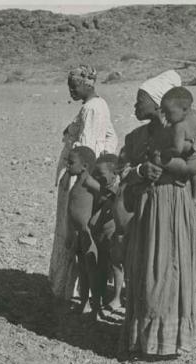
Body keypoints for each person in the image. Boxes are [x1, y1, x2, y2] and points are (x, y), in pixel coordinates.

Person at [118, 70, 196, 359]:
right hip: (145, 210)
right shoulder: (135, 137)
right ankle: (145, 339)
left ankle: (168, 341)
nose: (135, 107)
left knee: (170, 268)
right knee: (146, 269)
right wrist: (141, 171)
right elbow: (120, 171)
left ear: (157, 104)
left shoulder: (182, 132)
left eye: (140, 100)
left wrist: (170, 165)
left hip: (174, 206)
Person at [49, 65, 117, 304]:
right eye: (69, 86)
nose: (71, 90)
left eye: (74, 85)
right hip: (77, 172)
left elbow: (89, 146)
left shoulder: (93, 108)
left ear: (88, 84)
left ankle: (74, 287)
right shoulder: (92, 107)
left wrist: (80, 181)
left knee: (75, 229)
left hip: (79, 176)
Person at [65, 146, 101, 316]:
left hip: (88, 235)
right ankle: (84, 301)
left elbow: (105, 196)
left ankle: (95, 306)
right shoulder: (78, 181)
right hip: (78, 234)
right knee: (83, 270)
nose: (67, 166)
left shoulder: (89, 182)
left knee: (91, 270)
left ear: (85, 166)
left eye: (71, 163)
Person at [89, 153, 124, 311]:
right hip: (100, 232)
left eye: (101, 174)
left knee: (117, 265)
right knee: (101, 263)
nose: (97, 177)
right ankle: (101, 294)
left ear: (114, 174)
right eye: (95, 173)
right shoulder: (99, 187)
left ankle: (117, 297)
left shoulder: (120, 189)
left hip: (114, 232)